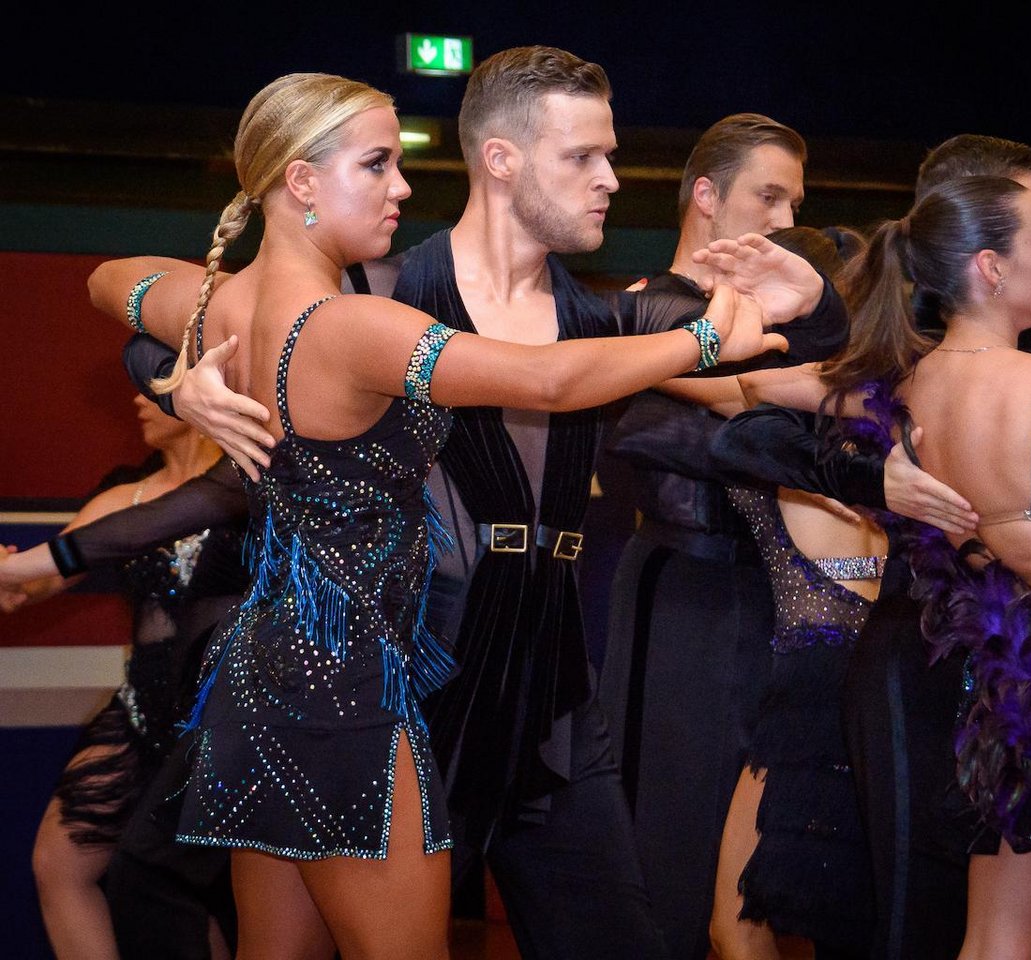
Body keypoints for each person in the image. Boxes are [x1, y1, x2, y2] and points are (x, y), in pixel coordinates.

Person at [86, 69, 786, 960]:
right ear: (301, 181)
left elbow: (109, 278)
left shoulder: (228, 304)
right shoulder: (348, 327)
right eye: (377, 164)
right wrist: (706, 338)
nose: (403, 188)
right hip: (348, 690)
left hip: (263, 676)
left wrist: (180, 378)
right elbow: (546, 380)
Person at [736, 174, 1031, 958]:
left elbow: (760, 385)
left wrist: (791, 337)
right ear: (990, 267)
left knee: (992, 945)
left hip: (1011, 683)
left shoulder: (901, 391)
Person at [596, 114, 846, 960]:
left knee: (754, 873)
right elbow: (770, 403)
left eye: (795, 204)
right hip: (690, 595)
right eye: (768, 197)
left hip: (771, 600)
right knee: (676, 847)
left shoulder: (768, 323)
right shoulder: (651, 309)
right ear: (705, 196)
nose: (784, 221)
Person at [0, 396, 237, 960]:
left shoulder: (242, 484)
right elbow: (35, 584)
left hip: (222, 720)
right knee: (59, 863)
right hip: (140, 711)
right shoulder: (123, 498)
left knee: (183, 886)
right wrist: (8, 577)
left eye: (154, 385)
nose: (135, 398)